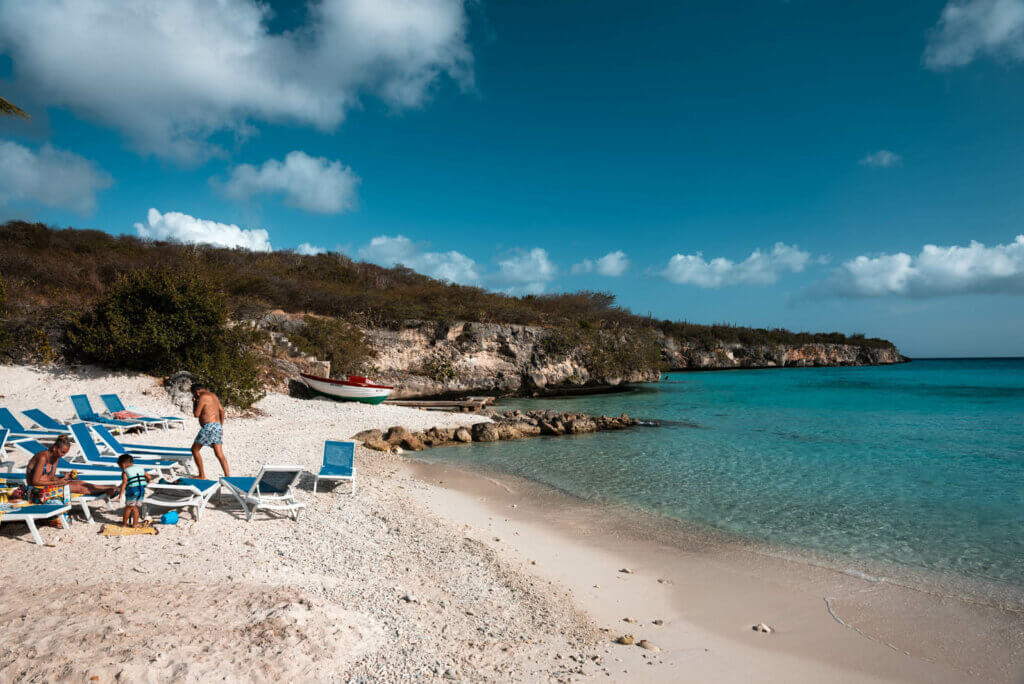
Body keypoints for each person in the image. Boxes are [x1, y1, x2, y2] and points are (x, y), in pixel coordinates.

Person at [25, 435, 116, 502]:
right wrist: (58, 482)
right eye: (62, 452)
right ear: (55, 448)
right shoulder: (42, 458)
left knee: (80, 482)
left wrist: (66, 477)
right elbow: (35, 481)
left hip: (47, 486)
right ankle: (106, 490)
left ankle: (108, 488)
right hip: (36, 492)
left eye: (65, 453)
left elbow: (51, 477)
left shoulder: (56, 457)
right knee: (75, 487)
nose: (63, 455)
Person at [190, 382, 230, 480]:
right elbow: (222, 411)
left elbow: (196, 414)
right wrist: (221, 425)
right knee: (219, 454)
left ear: (197, 392)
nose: (195, 396)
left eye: (194, 395)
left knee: (194, 450)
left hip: (208, 427)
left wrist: (195, 402)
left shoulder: (202, 397)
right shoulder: (213, 396)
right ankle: (228, 477)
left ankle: (202, 475)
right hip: (217, 426)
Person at [116, 454, 152, 528]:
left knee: (128, 508)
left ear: (123, 465)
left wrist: (120, 495)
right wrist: (147, 482)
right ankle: (135, 524)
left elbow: (124, 483)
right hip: (141, 490)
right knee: (135, 508)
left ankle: (124, 525)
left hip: (132, 491)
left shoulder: (125, 472)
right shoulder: (140, 468)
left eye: (119, 466)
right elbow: (149, 477)